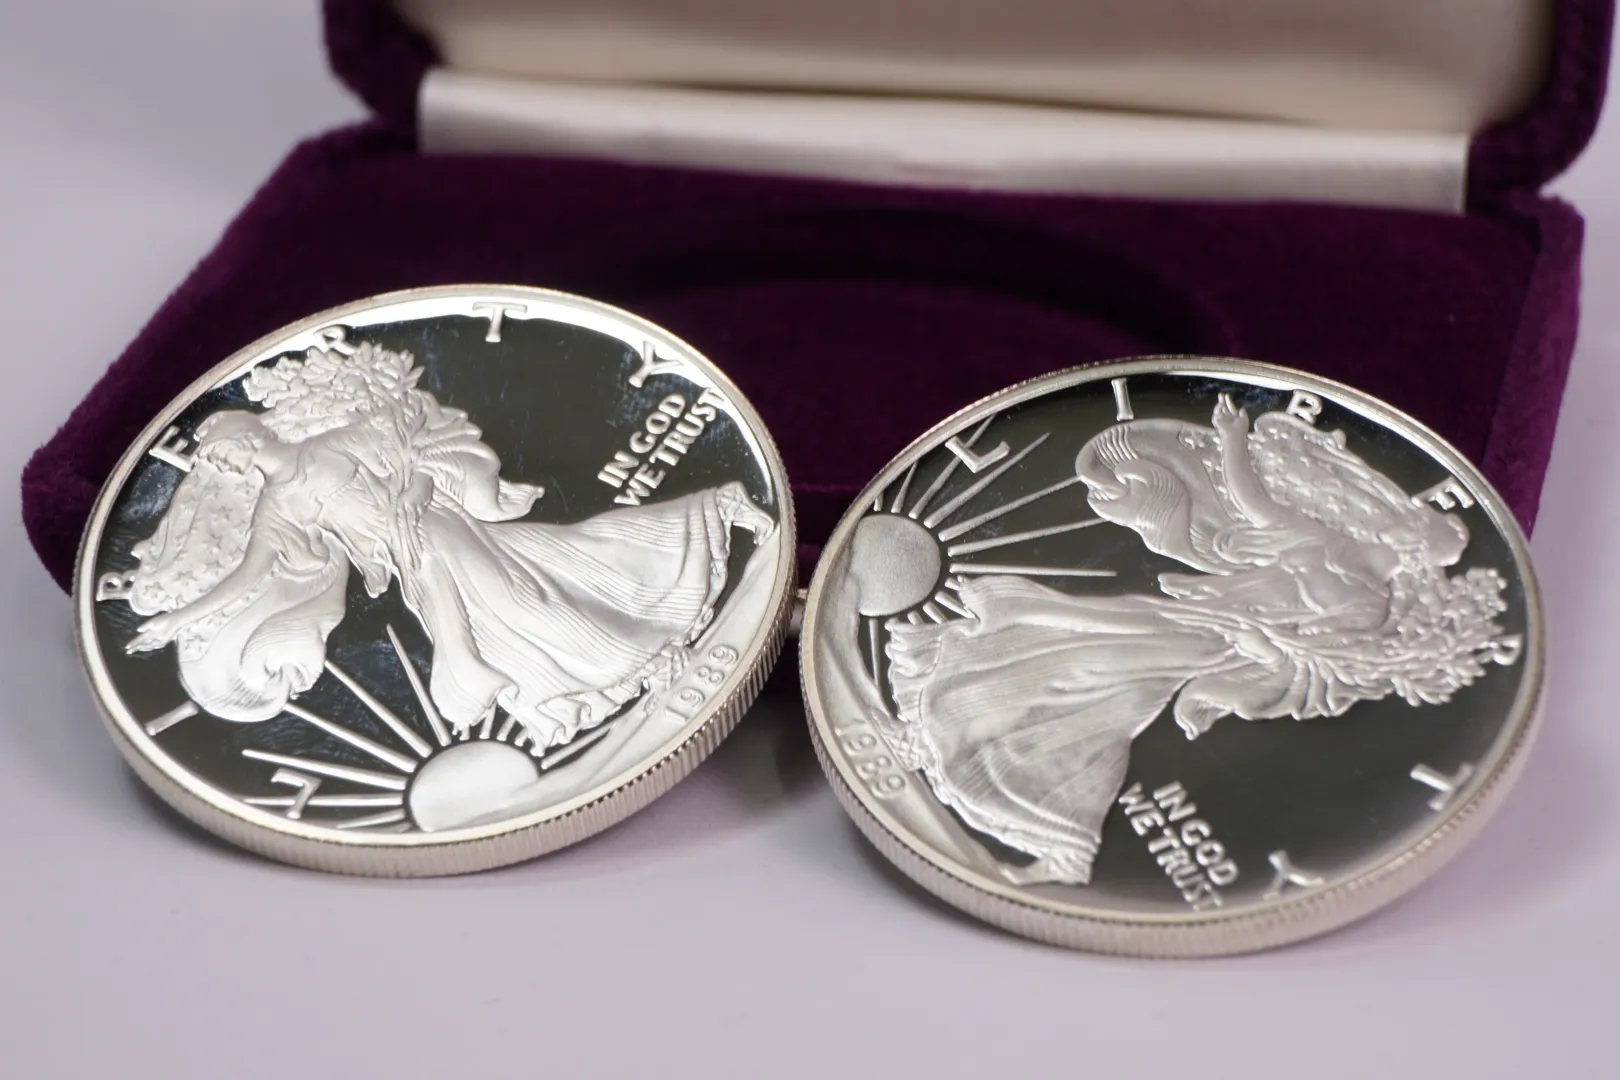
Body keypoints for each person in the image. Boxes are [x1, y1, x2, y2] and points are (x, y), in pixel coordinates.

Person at [880, 395, 1509, 886]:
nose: (1405, 534)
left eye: (1420, 539)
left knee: (1083, 687)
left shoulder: (1369, 608)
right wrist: (1234, 441)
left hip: (1210, 644)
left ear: (1417, 559)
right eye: (1414, 525)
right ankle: (929, 735)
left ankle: (1062, 849)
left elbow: (1311, 668)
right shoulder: (1331, 543)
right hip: (1186, 614)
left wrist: (1239, 664)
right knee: (1050, 645)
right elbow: (1255, 503)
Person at [124, 340, 771, 750]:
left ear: (248, 436)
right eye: (225, 463)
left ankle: (644, 643)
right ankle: (693, 544)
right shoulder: (278, 507)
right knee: (544, 577)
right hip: (410, 561)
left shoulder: (330, 447)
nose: (232, 464)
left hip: (435, 529)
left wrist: (411, 496)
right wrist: (179, 620)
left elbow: (412, 451)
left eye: (228, 453)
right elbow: (252, 573)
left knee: (517, 602)